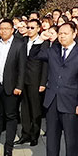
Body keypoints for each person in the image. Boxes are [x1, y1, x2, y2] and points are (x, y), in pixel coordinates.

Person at [38, 21, 78, 156]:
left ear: (74, 34)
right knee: (51, 143)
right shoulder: (53, 50)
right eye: (60, 33)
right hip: (52, 102)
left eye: (65, 33)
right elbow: (34, 55)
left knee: (71, 142)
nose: (62, 36)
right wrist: (40, 39)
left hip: (71, 103)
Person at [0, 18, 26, 156]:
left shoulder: (19, 44)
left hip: (11, 87)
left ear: (12, 30)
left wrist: (19, 86)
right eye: (1, 29)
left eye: (6, 29)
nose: (3, 31)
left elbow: (22, 67)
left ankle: (9, 147)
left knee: (10, 117)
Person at [16, 18, 47, 147]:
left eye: (32, 28)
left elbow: (45, 65)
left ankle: (34, 135)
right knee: (24, 109)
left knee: (35, 109)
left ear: (38, 28)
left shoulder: (43, 43)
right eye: (27, 27)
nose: (29, 30)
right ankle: (25, 134)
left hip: (36, 80)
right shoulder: (23, 41)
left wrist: (43, 82)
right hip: (23, 80)